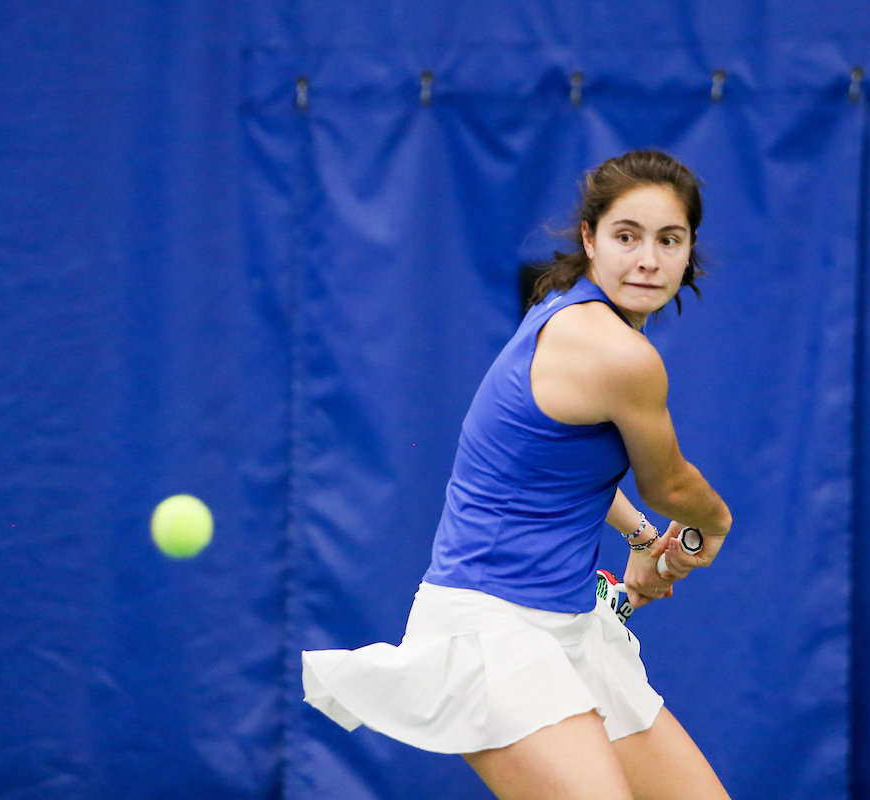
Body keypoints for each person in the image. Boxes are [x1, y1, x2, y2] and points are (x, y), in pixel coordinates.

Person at [302, 150, 733, 800]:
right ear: (590, 239)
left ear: (688, 248)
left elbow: (550, 466)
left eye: (668, 240)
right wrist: (715, 522)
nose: (647, 259)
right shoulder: (619, 354)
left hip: (571, 630)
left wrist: (645, 540)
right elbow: (670, 486)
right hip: (492, 635)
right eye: (626, 236)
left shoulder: (570, 309)